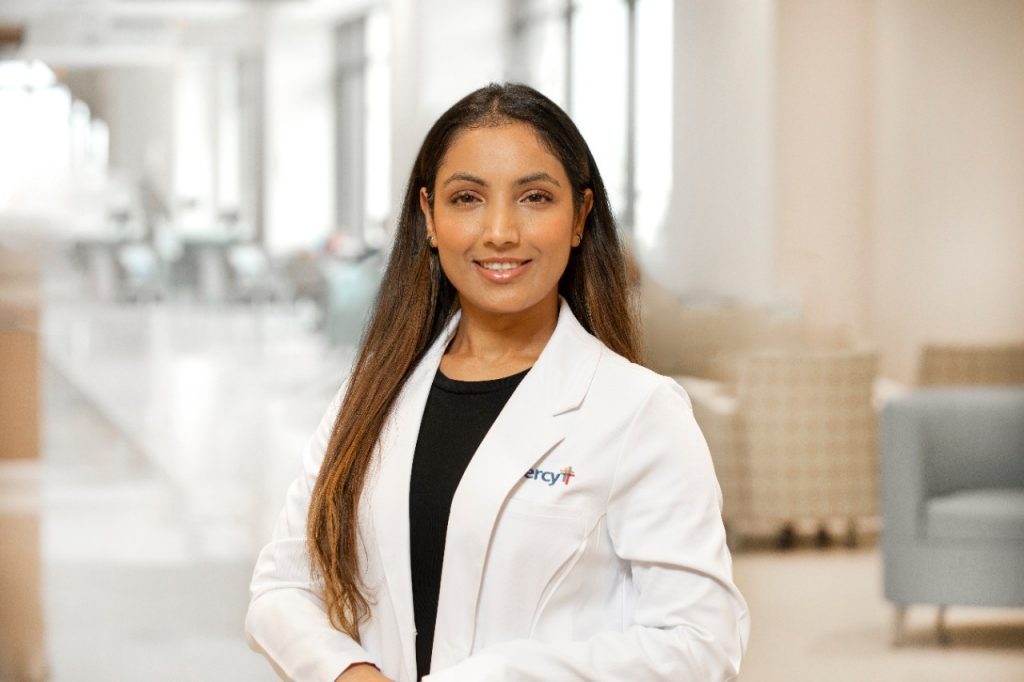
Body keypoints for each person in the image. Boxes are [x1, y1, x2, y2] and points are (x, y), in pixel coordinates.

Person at [245, 83, 749, 682]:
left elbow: (700, 644)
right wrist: (350, 673)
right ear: (429, 217)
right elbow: (282, 587)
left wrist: (497, 675)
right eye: (467, 198)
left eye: (535, 197)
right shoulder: (374, 389)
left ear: (580, 216)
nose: (501, 231)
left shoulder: (640, 411)